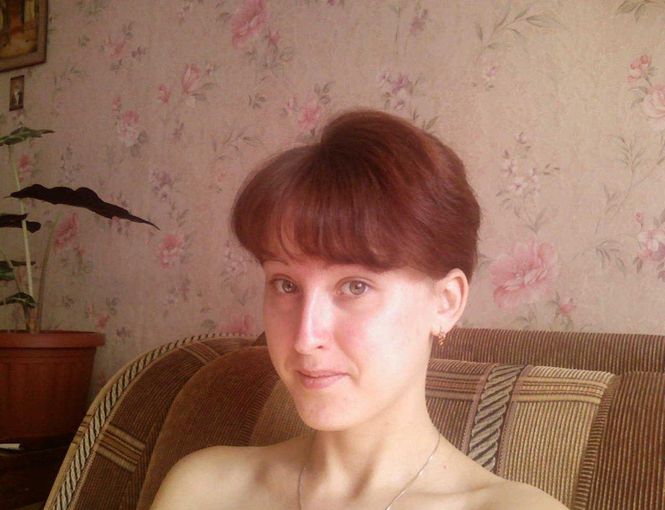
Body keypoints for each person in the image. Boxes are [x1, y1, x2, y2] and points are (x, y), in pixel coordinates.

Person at [151, 109, 568, 509]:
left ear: (445, 302)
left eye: (355, 286)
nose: (304, 338)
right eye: (286, 284)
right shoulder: (204, 488)